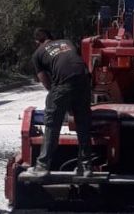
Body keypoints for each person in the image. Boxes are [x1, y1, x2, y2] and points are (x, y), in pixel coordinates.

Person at [27, 28, 93, 178]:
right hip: (83, 81)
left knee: (52, 124)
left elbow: (45, 80)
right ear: (52, 37)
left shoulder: (38, 54)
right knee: (83, 123)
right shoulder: (67, 42)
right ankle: (86, 167)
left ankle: (42, 166)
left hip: (63, 83)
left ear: (38, 42)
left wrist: (57, 98)